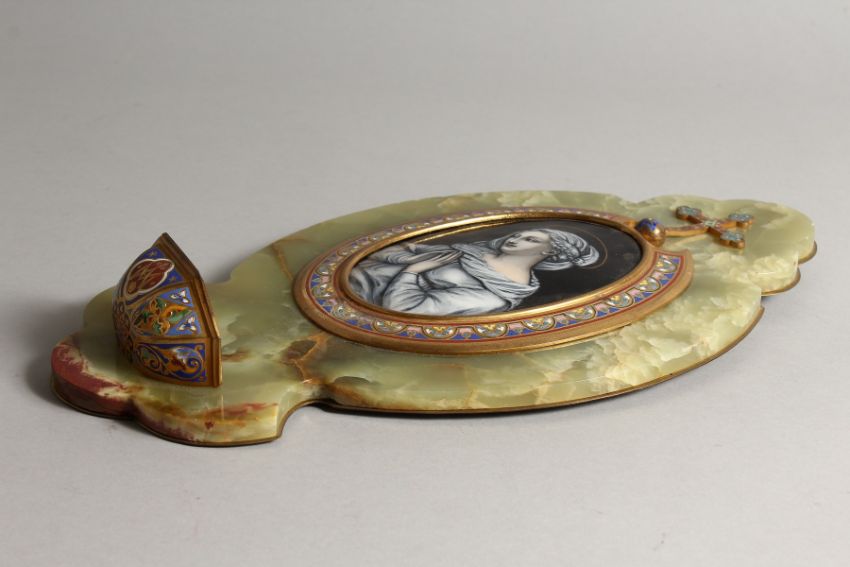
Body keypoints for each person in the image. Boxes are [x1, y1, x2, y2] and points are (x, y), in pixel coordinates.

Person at [349, 228, 600, 316]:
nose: (515, 238)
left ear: (550, 252)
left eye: (530, 239)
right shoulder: (475, 250)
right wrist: (407, 258)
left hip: (359, 300)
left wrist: (413, 270)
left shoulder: (494, 297)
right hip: (352, 275)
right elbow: (404, 248)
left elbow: (404, 309)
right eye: (518, 234)